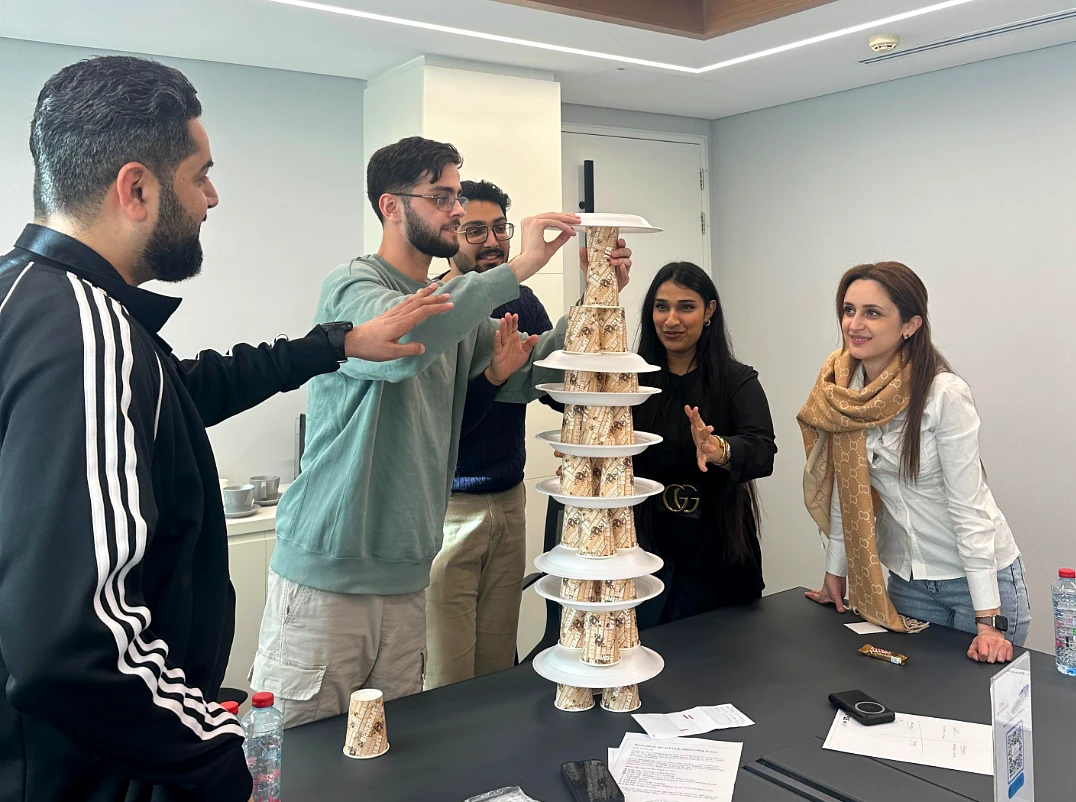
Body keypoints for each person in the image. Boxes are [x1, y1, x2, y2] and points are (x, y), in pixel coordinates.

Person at [0, 57, 450, 802]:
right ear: (136, 188)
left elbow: (183, 391)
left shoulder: (33, 299)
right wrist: (218, 758)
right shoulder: (86, 332)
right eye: (199, 175)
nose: (212, 198)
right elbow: (76, 641)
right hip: (93, 775)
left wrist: (331, 345)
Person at [252, 139, 631, 726]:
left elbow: (528, 373)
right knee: (306, 759)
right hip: (331, 575)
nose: (456, 211)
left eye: (456, 196)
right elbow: (401, 348)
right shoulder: (352, 288)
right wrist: (519, 267)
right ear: (391, 206)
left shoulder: (454, 309)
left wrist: (594, 298)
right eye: (441, 197)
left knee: (398, 753)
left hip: (407, 575)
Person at [798, 261, 1029, 664]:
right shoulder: (843, 393)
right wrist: (836, 571)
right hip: (909, 582)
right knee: (914, 702)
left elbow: (968, 506)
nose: (855, 324)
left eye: (873, 312)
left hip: (976, 581)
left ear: (910, 324)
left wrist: (988, 621)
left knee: (975, 708)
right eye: (849, 310)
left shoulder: (943, 394)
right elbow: (848, 492)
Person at [424, 180, 554, 689]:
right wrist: (495, 376)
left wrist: (597, 297)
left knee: (498, 662)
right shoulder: (435, 307)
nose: (493, 241)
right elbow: (442, 424)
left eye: (500, 227)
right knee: (447, 669)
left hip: (510, 501)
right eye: (475, 230)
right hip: (447, 510)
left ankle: (495, 769)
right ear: (451, 233)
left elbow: (556, 388)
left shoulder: (523, 301)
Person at [630, 262, 777, 628]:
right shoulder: (631, 381)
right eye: (661, 306)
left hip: (718, 551)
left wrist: (719, 449)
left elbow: (762, 449)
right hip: (646, 548)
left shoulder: (736, 379)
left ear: (709, 310)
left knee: (719, 671)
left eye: (686, 306)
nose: (671, 319)